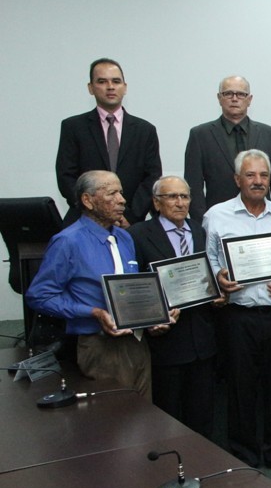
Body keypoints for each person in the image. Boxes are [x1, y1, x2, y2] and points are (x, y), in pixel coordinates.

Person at [27, 171, 169, 400]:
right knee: (112, 423)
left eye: (121, 192)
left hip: (137, 343)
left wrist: (154, 317)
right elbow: (39, 295)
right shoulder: (68, 241)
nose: (122, 200)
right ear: (87, 200)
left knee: (143, 420)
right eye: (112, 193)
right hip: (99, 346)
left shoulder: (124, 238)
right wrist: (93, 312)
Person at [204, 149, 271, 477]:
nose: (258, 181)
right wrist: (218, 276)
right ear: (237, 180)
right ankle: (244, 454)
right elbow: (211, 259)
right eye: (250, 175)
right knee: (241, 388)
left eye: (263, 175)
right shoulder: (216, 216)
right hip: (238, 316)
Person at [128, 176, 218, 437]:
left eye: (184, 196)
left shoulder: (199, 230)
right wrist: (150, 318)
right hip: (165, 340)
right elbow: (134, 286)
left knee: (202, 414)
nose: (180, 203)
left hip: (202, 339)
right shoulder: (138, 234)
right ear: (156, 203)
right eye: (172, 197)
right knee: (167, 416)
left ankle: (204, 467)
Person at [56, 58, 162, 225]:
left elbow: (152, 177)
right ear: (90, 88)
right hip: (86, 219)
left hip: (130, 222)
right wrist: (95, 210)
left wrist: (128, 215)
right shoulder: (73, 127)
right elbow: (66, 177)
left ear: (125, 87)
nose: (110, 86)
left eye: (116, 81)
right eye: (102, 81)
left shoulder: (145, 130)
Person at [185, 76, 271, 220]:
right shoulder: (200, 135)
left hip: (263, 217)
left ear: (249, 99)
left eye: (240, 94)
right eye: (228, 94)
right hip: (219, 219)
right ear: (219, 98)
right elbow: (193, 186)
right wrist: (202, 222)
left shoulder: (269, 134)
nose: (234, 99)